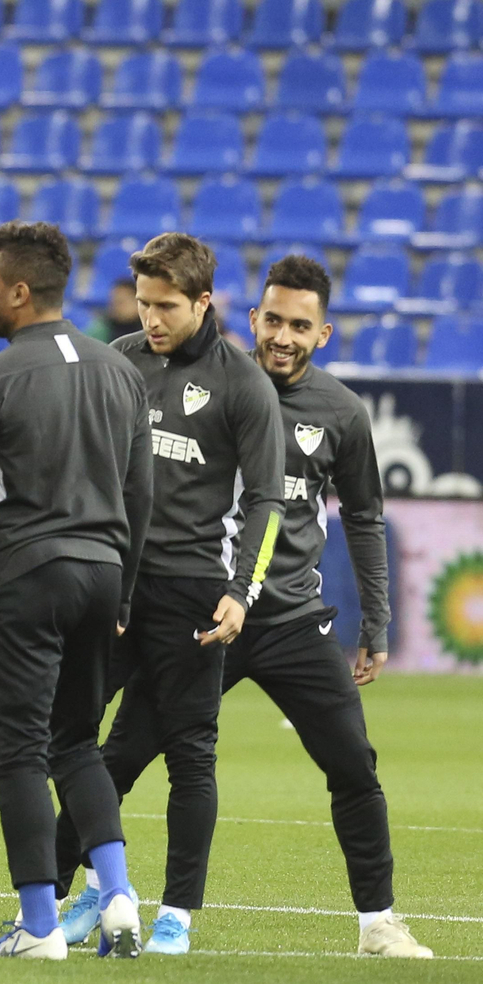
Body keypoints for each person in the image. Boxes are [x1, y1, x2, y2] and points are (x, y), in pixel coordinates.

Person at [53, 232, 285, 955]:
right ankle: (80, 893)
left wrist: (243, 590)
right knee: (75, 740)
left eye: (166, 307)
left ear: (205, 301)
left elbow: (268, 501)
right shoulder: (120, 362)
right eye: (144, 304)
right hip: (113, 584)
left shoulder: (243, 383)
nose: (150, 320)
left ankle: (177, 915)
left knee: (191, 757)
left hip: (192, 592)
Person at [0, 222, 151, 960]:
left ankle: (38, 927)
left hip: (26, 576)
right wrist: (124, 592)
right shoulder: (121, 371)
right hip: (103, 573)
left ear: (19, 292)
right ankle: (118, 897)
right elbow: (140, 492)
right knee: (77, 744)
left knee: (20, 755)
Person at [233, 257, 427, 957]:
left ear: (325, 334)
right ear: (253, 318)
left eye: (300, 326)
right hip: (206, 614)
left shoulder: (342, 412)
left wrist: (376, 622)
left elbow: (366, 518)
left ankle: (378, 921)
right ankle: (54, 904)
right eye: (274, 320)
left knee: (353, 764)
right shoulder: (211, 387)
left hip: (290, 622)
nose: (283, 336)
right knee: (123, 752)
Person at [88, 278, 141, 344]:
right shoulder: (100, 332)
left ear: (137, 303)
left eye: (121, 302)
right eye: (113, 302)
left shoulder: (148, 332)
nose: (115, 307)